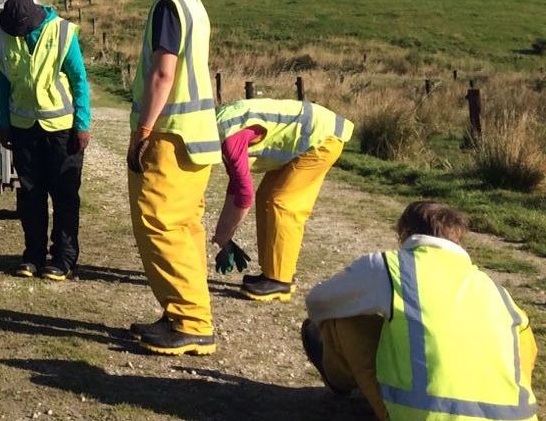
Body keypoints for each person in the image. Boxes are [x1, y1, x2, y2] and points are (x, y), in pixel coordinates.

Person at [303, 200, 537, 420]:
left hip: (424, 414)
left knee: (348, 314)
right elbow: (528, 347)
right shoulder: (494, 289)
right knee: (519, 335)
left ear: (404, 234)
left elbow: (318, 301)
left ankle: (341, 381)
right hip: (518, 416)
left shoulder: (390, 266)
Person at [124, 0, 222, 356]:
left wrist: (142, 133)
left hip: (170, 137)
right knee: (185, 229)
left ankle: (191, 320)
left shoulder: (167, 6)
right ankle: (183, 312)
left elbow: (164, 74)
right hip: (199, 138)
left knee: (160, 226)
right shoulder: (192, 2)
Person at [209, 98, 354, 302]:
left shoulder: (229, 140)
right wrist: (223, 236)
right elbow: (236, 186)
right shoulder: (218, 124)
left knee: (282, 203)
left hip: (323, 138)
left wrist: (225, 235)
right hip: (314, 134)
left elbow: (243, 194)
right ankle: (273, 272)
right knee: (266, 197)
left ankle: (280, 281)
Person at [0, 0, 91, 281]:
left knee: (65, 195)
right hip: (24, 130)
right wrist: (4, 122)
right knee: (30, 195)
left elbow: (79, 80)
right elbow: (1, 82)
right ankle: (32, 256)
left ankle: (63, 258)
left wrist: (82, 123)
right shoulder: (2, 36)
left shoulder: (62, 33)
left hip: (62, 130)